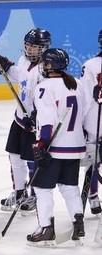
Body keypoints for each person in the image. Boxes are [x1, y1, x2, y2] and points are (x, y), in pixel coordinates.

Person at [27, 48, 86, 247]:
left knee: (42, 189)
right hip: (75, 145)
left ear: (51, 65)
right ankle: (79, 225)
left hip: (54, 147)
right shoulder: (77, 84)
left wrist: (41, 142)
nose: (43, 66)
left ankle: (46, 228)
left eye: (45, 63)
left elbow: (48, 119)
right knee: (70, 187)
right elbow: (84, 114)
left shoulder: (45, 86)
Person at [0, 28, 52, 215]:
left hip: (36, 123)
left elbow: (50, 94)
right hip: (19, 119)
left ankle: (35, 194)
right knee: (14, 156)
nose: (30, 50)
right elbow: (21, 76)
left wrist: (38, 115)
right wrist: (6, 67)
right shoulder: (24, 61)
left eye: (34, 47)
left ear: (44, 48)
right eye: (28, 46)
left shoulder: (47, 68)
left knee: (33, 159)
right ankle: (19, 192)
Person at [79, 29, 102, 216]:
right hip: (95, 122)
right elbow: (84, 96)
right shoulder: (91, 65)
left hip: (95, 121)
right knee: (94, 162)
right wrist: (81, 123)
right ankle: (93, 195)